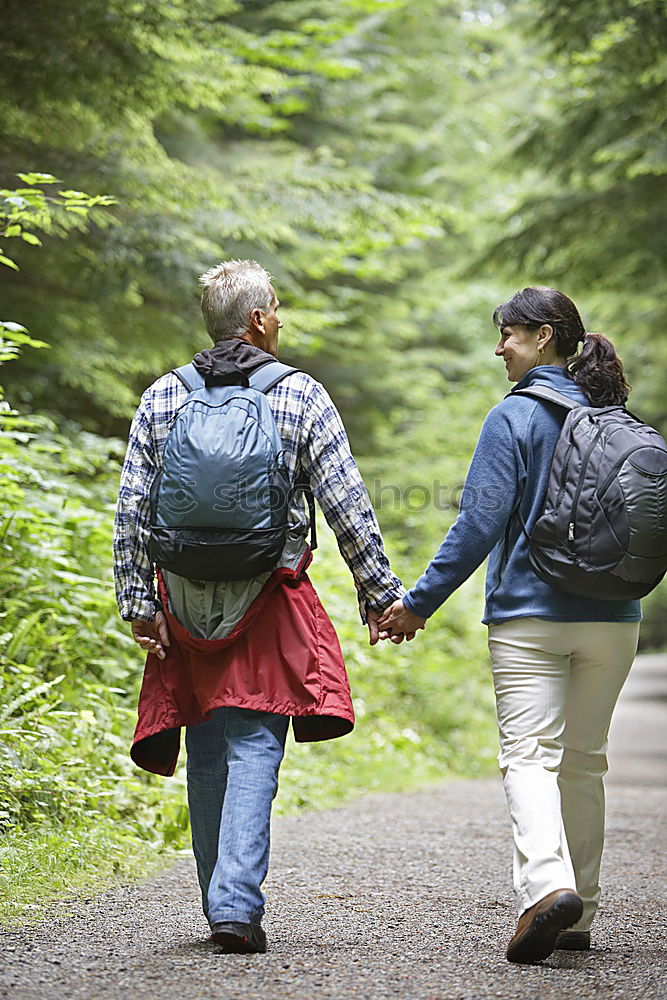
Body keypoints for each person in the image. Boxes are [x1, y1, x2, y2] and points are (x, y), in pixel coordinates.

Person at [113, 259, 406, 953]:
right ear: (255, 321)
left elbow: (130, 508)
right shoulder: (299, 395)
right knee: (252, 742)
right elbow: (346, 504)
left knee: (207, 739)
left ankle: (221, 899)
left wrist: (136, 600)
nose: (279, 318)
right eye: (274, 307)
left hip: (182, 597)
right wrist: (380, 595)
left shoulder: (163, 397)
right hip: (266, 593)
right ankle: (235, 905)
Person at [378, 286, 641, 964]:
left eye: (510, 335)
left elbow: (477, 523)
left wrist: (418, 602)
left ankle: (547, 886)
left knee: (528, 755)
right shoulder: (613, 417)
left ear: (545, 336)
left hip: (529, 616)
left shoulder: (515, 417)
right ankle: (580, 906)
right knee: (583, 764)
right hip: (613, 616)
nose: (499, 348)